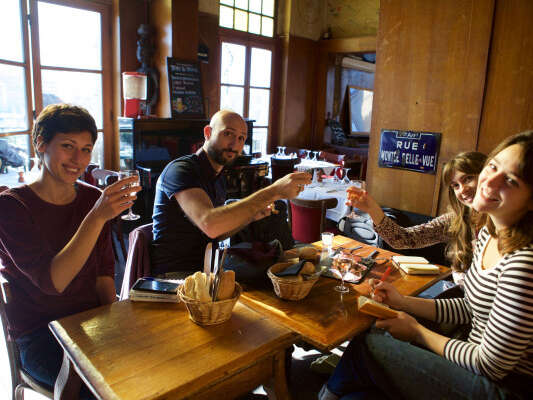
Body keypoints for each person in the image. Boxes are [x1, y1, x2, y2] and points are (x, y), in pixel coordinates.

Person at [320, 131, 533, 400]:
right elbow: (469, 306)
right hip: (471, 351)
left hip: (506, 386)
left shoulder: (523, 263)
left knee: (368, 343)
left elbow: (490, 364)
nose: (489, 181)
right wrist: (402, 301)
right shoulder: (489, 233)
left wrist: (417, 332)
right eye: (493, 167)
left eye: (510, 180)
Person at [0, 104, 141, 395]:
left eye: (87, 149)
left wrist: (119, 326)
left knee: (152, 370)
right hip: (41, 335)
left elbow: (103, 273)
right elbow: (54, 282)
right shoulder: (11, 207)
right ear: (40, 144)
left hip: (91, 325)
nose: (79, 159)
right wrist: (98, 216)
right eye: (68, 146)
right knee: (107, 392)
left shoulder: (92, 198)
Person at [151, 110, 311, 276]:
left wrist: (251, 216)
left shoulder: (218, 176)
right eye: (228, 133)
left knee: (282, 271)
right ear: (208, 133)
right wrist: (274, 191)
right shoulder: (180, 170)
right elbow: (210, 224)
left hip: (208, 270)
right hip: (173, 278)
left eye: (241, 138)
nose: (235, 144)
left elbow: (217, 233)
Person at [346, 151, 487, 285]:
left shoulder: (502, 225)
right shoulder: (454, 220)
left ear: (487, 176)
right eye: (455, 185)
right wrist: (372, 209)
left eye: (468, 179)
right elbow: (403, 239)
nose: (462, 189)